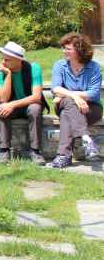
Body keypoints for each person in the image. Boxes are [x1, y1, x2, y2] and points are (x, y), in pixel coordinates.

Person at [48, 32, 103, 169]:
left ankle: (63, 156)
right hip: (66, 104)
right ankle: (85, 137)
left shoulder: (94, 68)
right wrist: (75, 97)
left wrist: (67, 94)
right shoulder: (60, 65)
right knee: (69, 103)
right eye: (64, 48)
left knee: (66, 114)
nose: (64, 51)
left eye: (68, 49)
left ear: (79, 50)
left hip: (91, 108)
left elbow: (94, 92)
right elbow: (55, 88)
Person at [0, 41, 46, 164]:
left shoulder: (34, 68)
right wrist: (8, 74)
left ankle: (35, 151)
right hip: (11, 106)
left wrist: (12, 104)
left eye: (7, 60)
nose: (3, 62)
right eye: (2, 59)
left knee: (35, 108)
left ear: (18, 60)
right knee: (1, 107)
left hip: (29, 104)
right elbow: (3, 99)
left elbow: (36, 97)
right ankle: (4, 150)